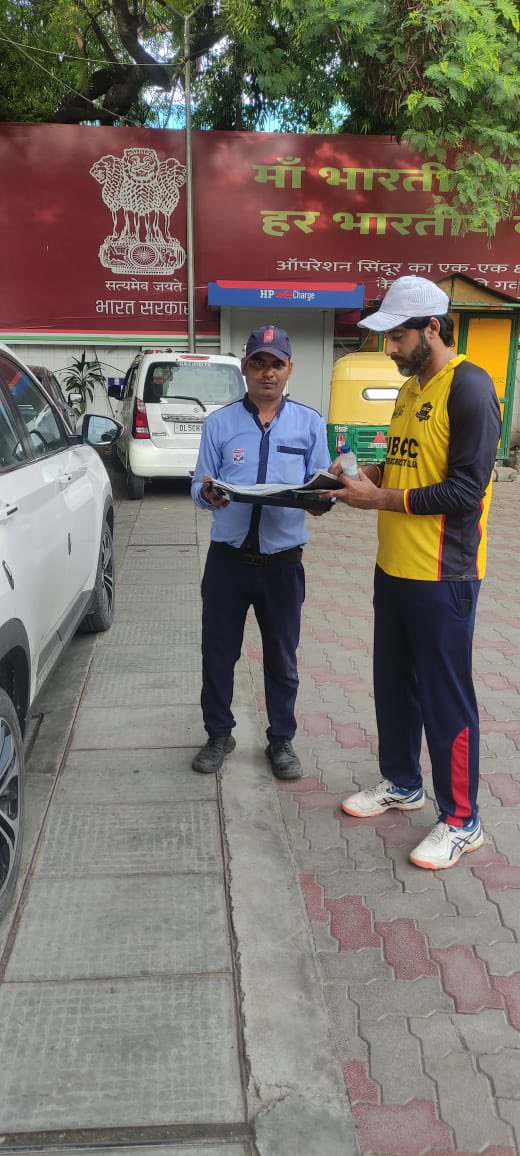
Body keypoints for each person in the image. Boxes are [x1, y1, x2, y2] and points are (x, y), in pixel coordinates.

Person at [332, 276, 501, 870]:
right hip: (394, 568)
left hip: (443, 577)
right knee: (394, 687)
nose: (390, 348)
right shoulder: (409, 389)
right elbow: (399, 461)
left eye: (398, 336)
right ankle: (403, 781)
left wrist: (378, 502)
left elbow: (464, 490)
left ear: (433, 327)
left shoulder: (471, 388)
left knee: (446, 699)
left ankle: (462, 820)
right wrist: (359, 476)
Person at [191, 324, 331, 779]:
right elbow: (198, 484)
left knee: (281, 656)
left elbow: (321, 483)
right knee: (218, 652)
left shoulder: (310, 423)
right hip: (228, 561)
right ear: (245, 369)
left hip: (283, 564)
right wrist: (209, 493)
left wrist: (322, 499)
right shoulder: (220, 423)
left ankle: (281, 740)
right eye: (258, 363)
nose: (267, 373)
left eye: (276, 364)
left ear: (290, 369)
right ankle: (218, 734)